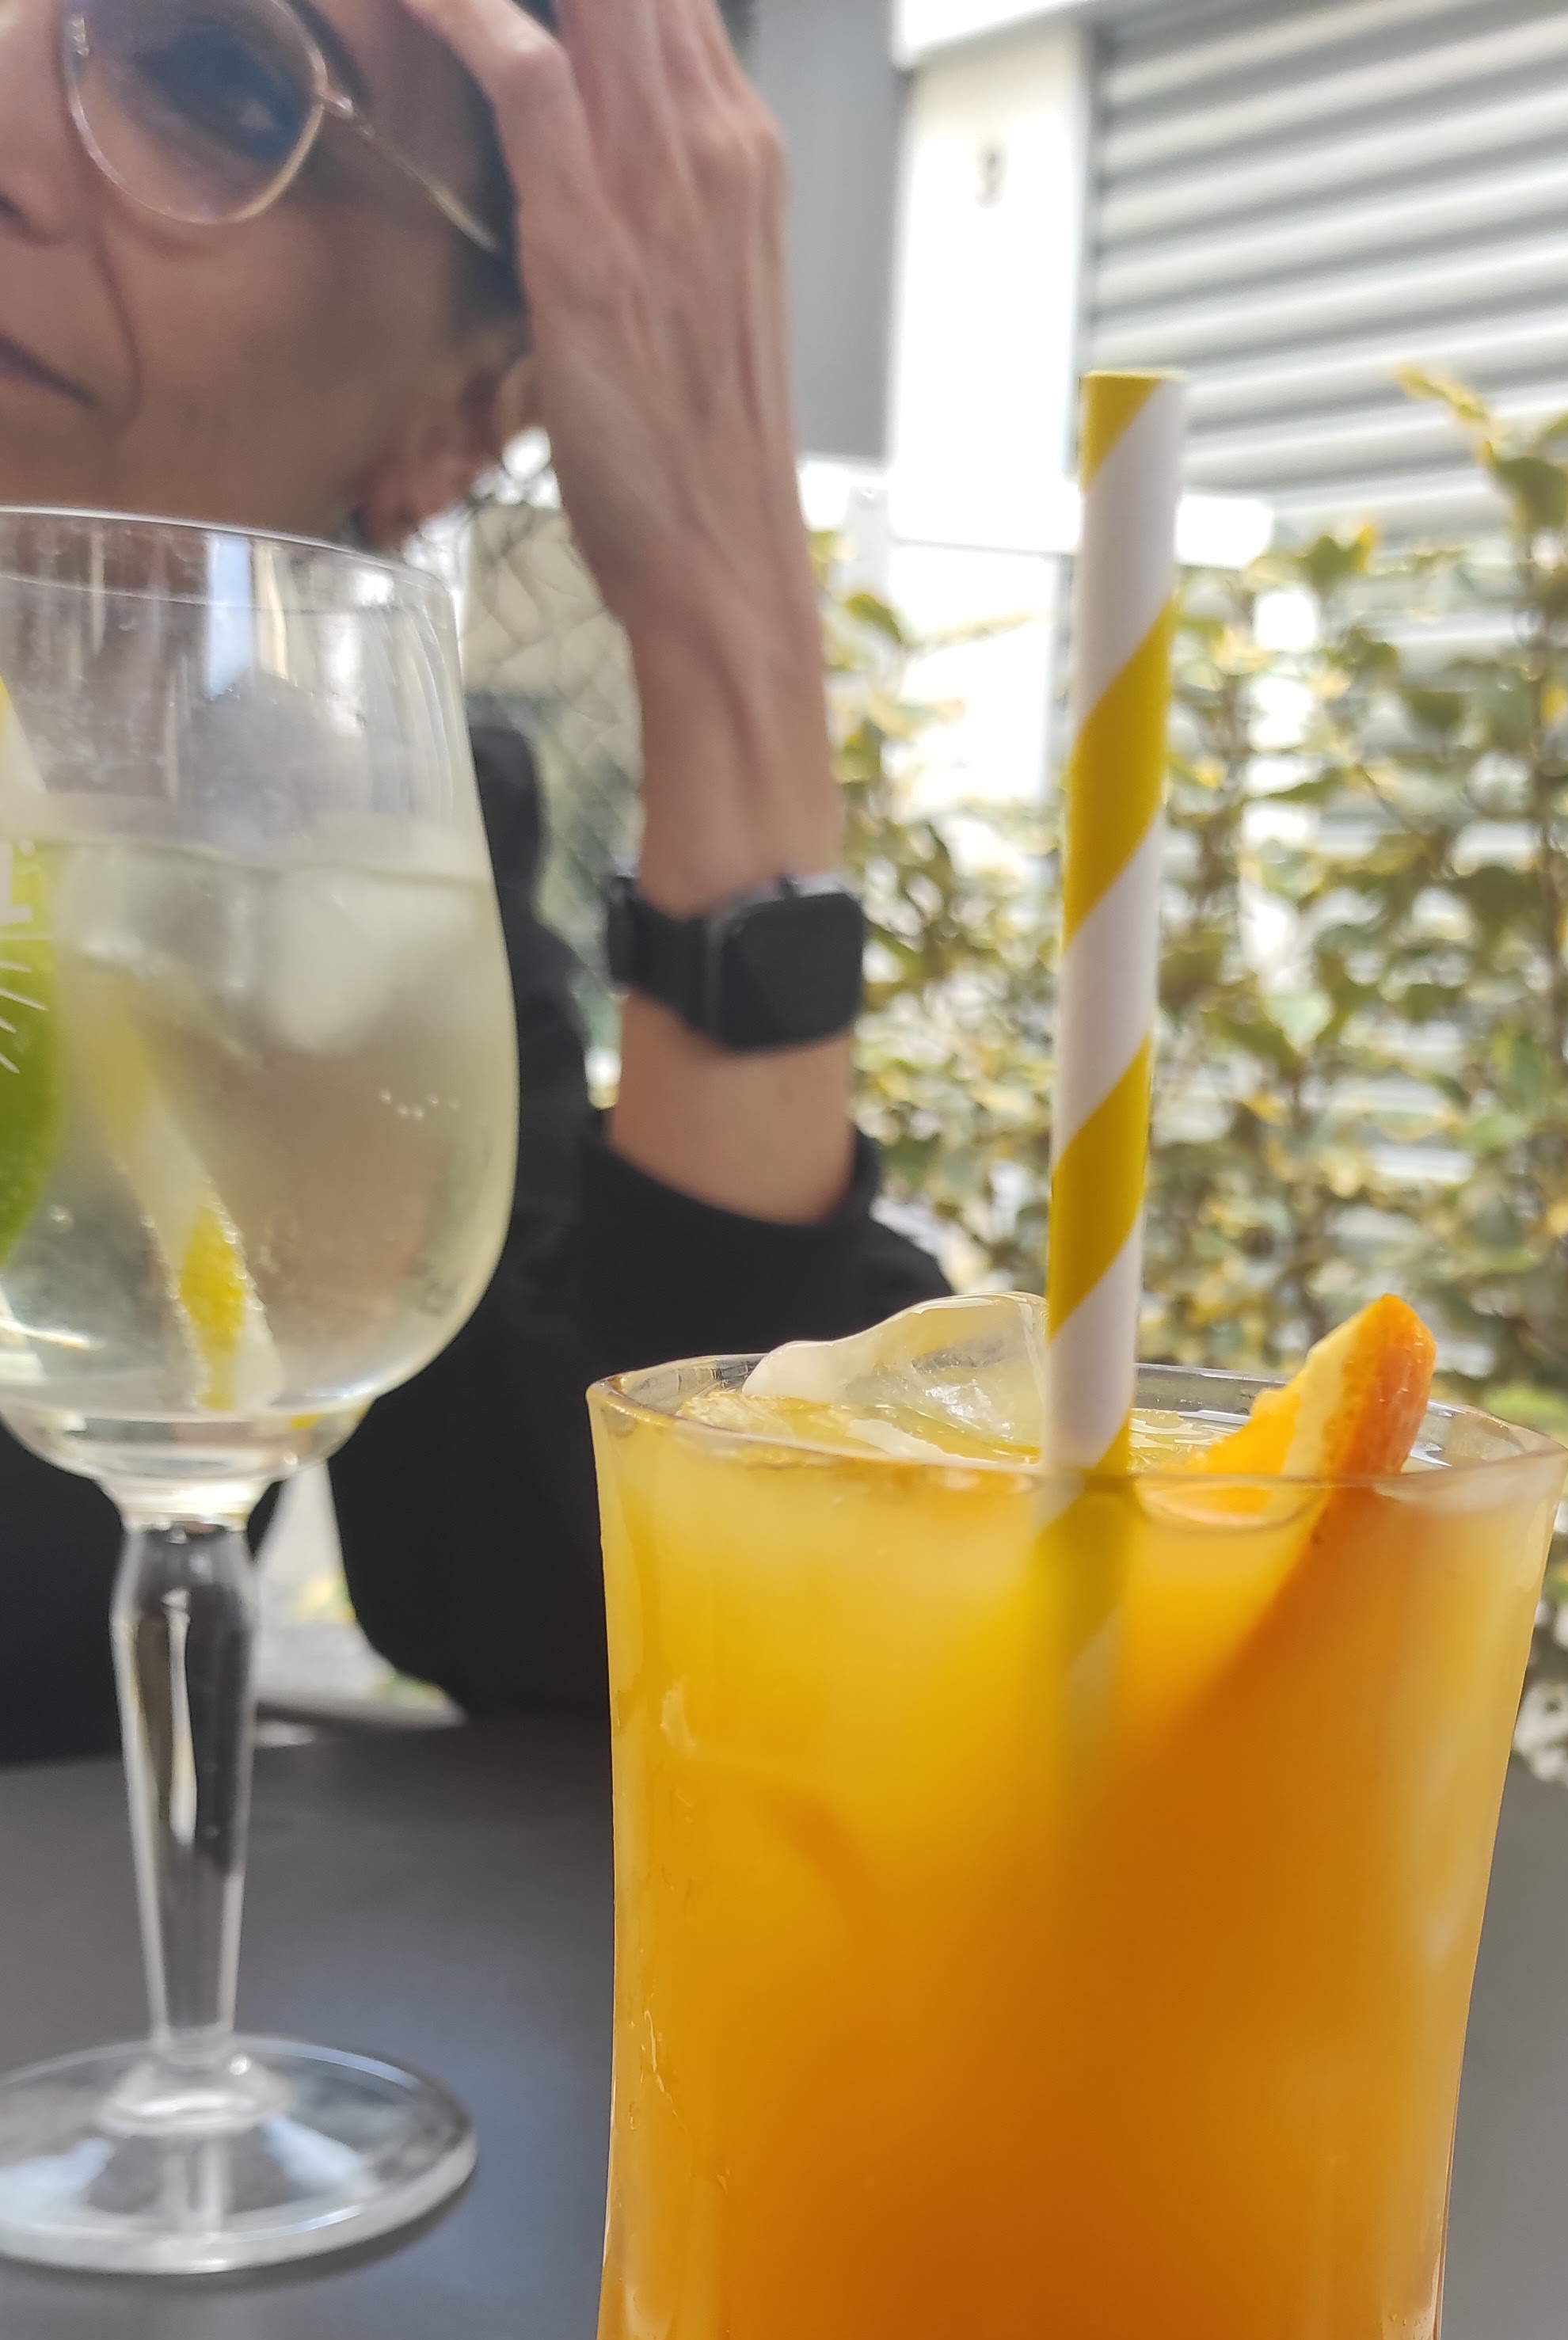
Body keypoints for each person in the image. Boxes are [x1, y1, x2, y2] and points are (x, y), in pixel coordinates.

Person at [0, 0, 942, 1762]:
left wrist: (730, 628)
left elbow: (599, 1598)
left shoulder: (320, 880)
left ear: (458, 413)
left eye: (207, 73)